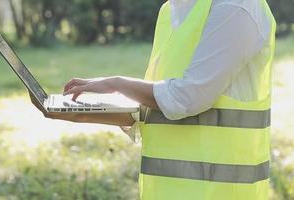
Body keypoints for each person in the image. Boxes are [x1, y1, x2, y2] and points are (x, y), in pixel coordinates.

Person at [30, 0, 276, 199]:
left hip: (218, 193)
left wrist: (116, 82)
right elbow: (156, 104)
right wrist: (74, 112)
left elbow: (187, 98)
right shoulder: (172, 11)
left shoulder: (238, 7)